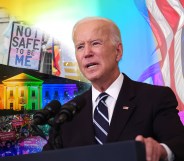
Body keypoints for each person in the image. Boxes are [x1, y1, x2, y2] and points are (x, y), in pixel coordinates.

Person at [43, 17, 184, 161]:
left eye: (95, 43)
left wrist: (162, 151)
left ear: (118, 51)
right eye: (80, 46)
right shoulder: (67, 115)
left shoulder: (155, 98)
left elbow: (180, 146)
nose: (87, 53)